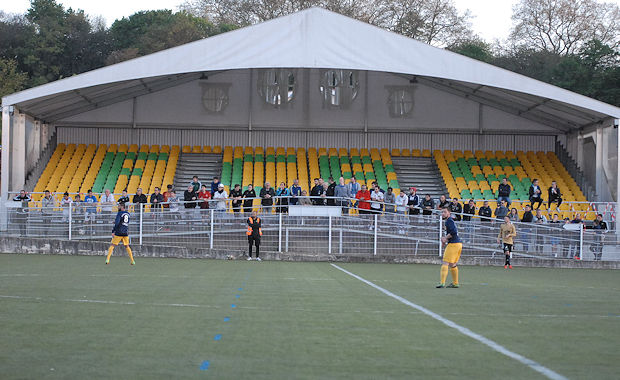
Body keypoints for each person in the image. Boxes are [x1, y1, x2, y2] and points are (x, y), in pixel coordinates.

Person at [437, 208, 462, 288]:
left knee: (445, 262)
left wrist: (445, 238)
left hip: (454, 244)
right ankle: (455, 283)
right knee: (452, 264)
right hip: (458, 244)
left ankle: (442, 283)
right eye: (442, 212)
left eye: (445, 212)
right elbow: (452, 232)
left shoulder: (449, 221)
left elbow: (453, 232)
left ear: (449, 213)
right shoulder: (449, 221)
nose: (443, 213)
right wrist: (445, 239)